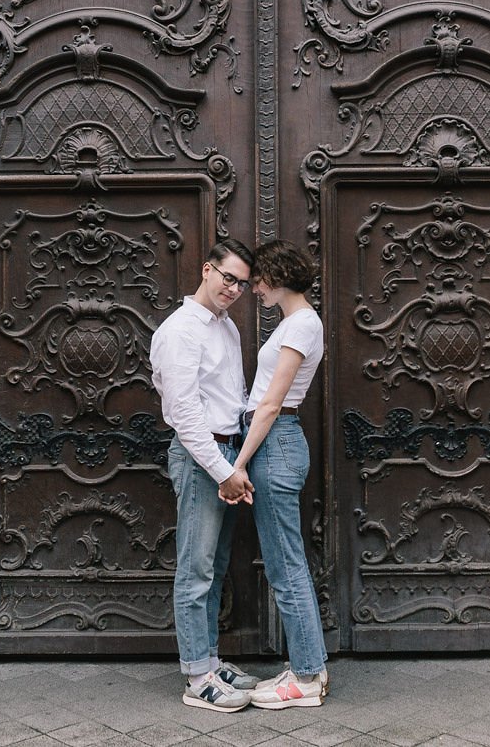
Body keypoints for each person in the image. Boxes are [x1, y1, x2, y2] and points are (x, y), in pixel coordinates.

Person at [149, 239, 259, 713]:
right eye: (228, 277)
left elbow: (230, 396)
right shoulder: (180, 330)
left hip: (228, 451)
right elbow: (182, 411)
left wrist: (238, 461)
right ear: (207, 269)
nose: (234, 289)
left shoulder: (228, 328)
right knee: (195, 568)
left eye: (243, 283)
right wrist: (221, 469)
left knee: (213, 566)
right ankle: (197, 677)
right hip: (202, 456)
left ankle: (211, 659)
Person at [224, 238, 329, 710]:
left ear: (278, 276)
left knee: (286, 566)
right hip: (275, 441)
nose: (254, 290)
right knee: (286, 562)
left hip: (274, 441)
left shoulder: (302, 325)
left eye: (259, 280)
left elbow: (270, 403)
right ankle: (309, 667)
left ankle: (306, 678)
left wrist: (239, 463)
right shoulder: (296, 323)